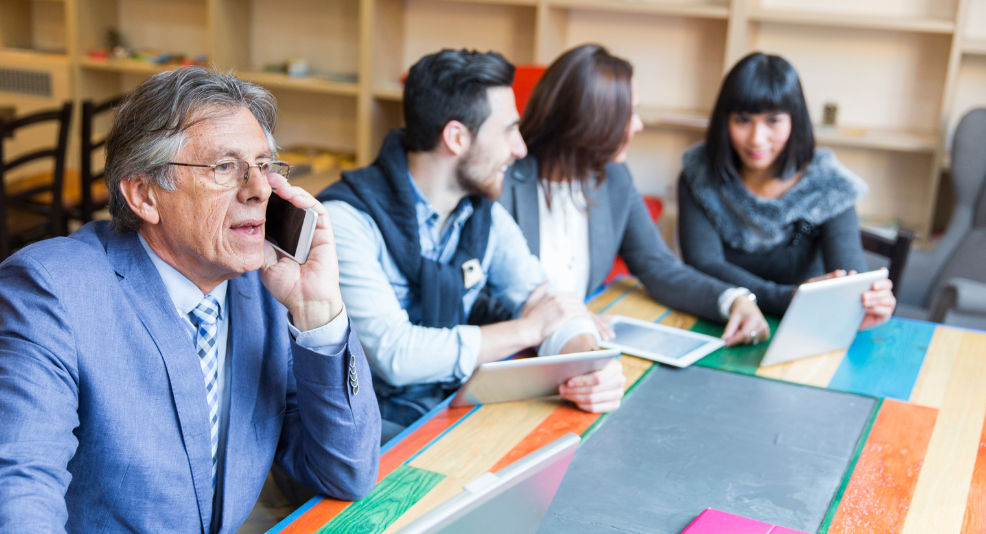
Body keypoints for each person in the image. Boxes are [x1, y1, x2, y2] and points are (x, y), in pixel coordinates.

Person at [0, 67, 381, 534]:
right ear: (143, 194)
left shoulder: (262, 288)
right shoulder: (55, 288)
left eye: (265, 166)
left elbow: (344, 473)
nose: (259, 189)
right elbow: (10, 495)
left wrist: (317, 312)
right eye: (225, 167)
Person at [318, 49, 625, 429]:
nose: (521, 149)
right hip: (359, 424)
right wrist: (525, 330)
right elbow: (395, 355)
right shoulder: (345, 221)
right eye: (509, 130)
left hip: (445, 407)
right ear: (457, 137)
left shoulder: (483, 215)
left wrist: (590, 364)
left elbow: (545, 303)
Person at [499, 44, 769, 342]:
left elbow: (659, 266)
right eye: (628, 114)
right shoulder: (502, 181)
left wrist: (733, 300)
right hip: (514, 349)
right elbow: (479, 298)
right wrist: (561, 317)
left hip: (581, 348)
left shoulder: (614, 178)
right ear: (588, 119)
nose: (638, 126)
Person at [678, 52, 896, 326]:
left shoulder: (828, 184)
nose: (757, 139)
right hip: (719, 321)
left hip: (807, 327)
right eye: (743, 120)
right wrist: (789, 297)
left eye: (773, 120)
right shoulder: (699, 175)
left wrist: (868, 302)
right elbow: (704, 267)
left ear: (795, 121)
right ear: (724, 120)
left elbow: (849, 282)